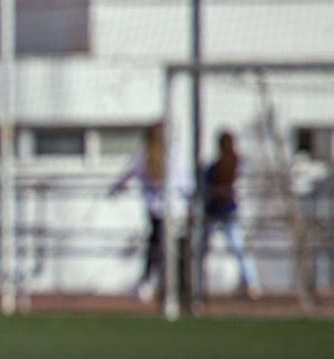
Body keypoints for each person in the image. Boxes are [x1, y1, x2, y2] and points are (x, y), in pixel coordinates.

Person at [111, 122, 192, 302]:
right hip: (174, 210)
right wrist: (190, 203)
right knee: (170, 249)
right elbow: (187, 184)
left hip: (158, 211)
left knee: (157, 248)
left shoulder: (145, 156)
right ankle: (173, 287)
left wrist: (116, 190)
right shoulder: (173, 155)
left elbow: (126, 176)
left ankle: (153, 283)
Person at [199, 130, 261, 300]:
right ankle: (252, 283)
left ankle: (251, 283)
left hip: (223, 211)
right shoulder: (218, 167)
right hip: (217, 211)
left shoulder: (229, 166)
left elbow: (216, 188)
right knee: (235, 248)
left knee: (235, 247)